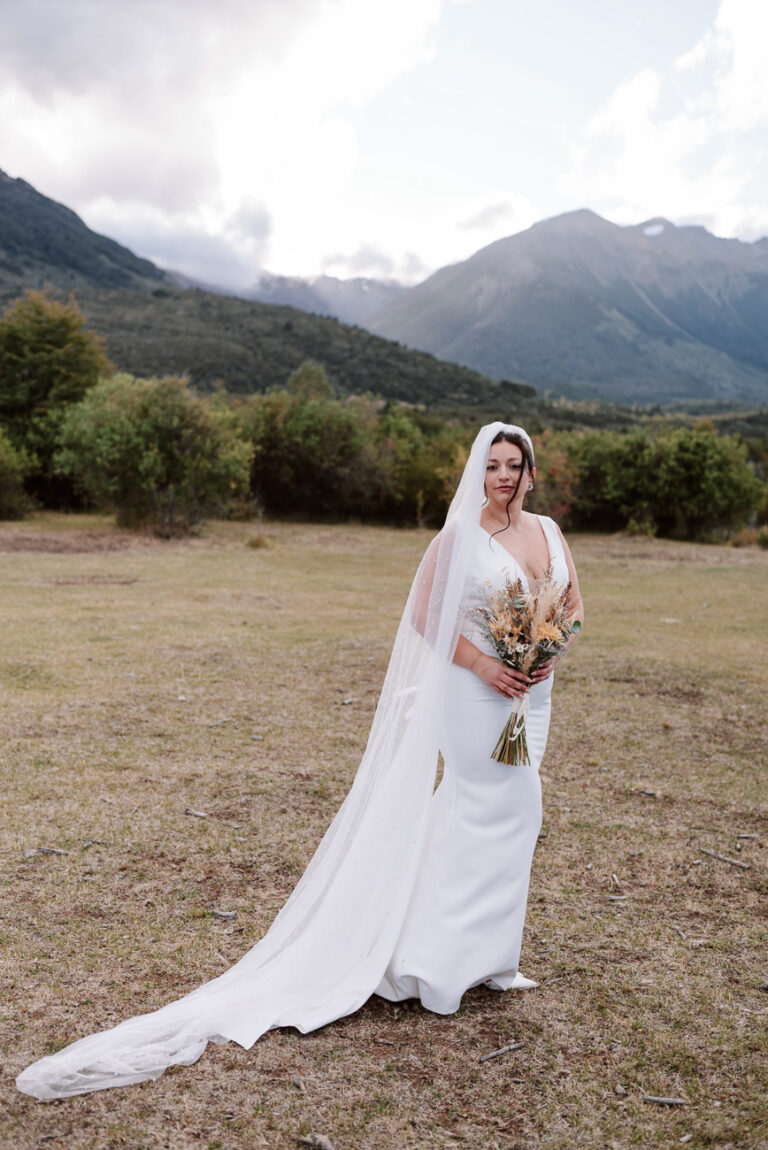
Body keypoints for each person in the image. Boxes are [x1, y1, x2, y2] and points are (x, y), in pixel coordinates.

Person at [16, 422, 582, 1100]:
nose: (502, 477)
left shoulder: (547, 530)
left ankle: (492, 959)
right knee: (473, 815)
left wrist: (547, 652)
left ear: (531, 473)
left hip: (533, 699)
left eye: (513, 466)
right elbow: (426, 618)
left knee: (521, 816)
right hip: (476, 697)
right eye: (491, 465)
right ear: (477, 472)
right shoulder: (457, 537)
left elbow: (572, 601)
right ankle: (438, 967)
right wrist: (490, 666)